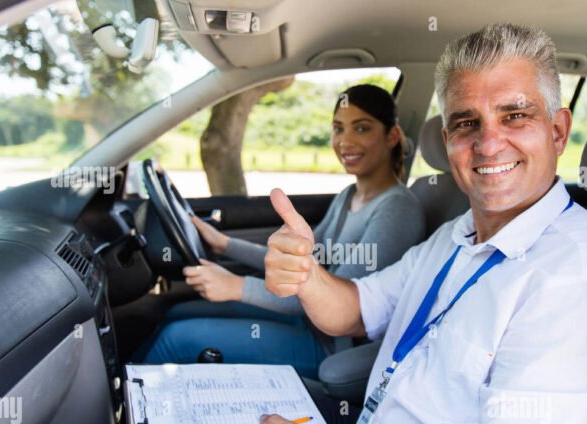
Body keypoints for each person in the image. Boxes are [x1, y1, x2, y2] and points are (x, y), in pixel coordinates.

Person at [99, 23, 587, 424]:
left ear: (557, 131)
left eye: (515, 116)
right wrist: (308, 277)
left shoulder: (577, 282)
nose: (489, 142)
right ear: (448, 140)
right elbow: (358, 308)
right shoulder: (456, 236)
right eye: (467, 123)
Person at [137, 84, 426, 379]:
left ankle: (124, 402)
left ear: (392, 136)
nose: (345, 141)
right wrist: (225, 244)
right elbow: (303, 263)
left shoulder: (398, 209)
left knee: (175, 339)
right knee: (176, 314)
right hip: (305, 319)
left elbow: (332, 297)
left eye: (362, 128)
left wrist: (236, 286)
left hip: (333, 346)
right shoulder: (348, 196)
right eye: (338, 129)